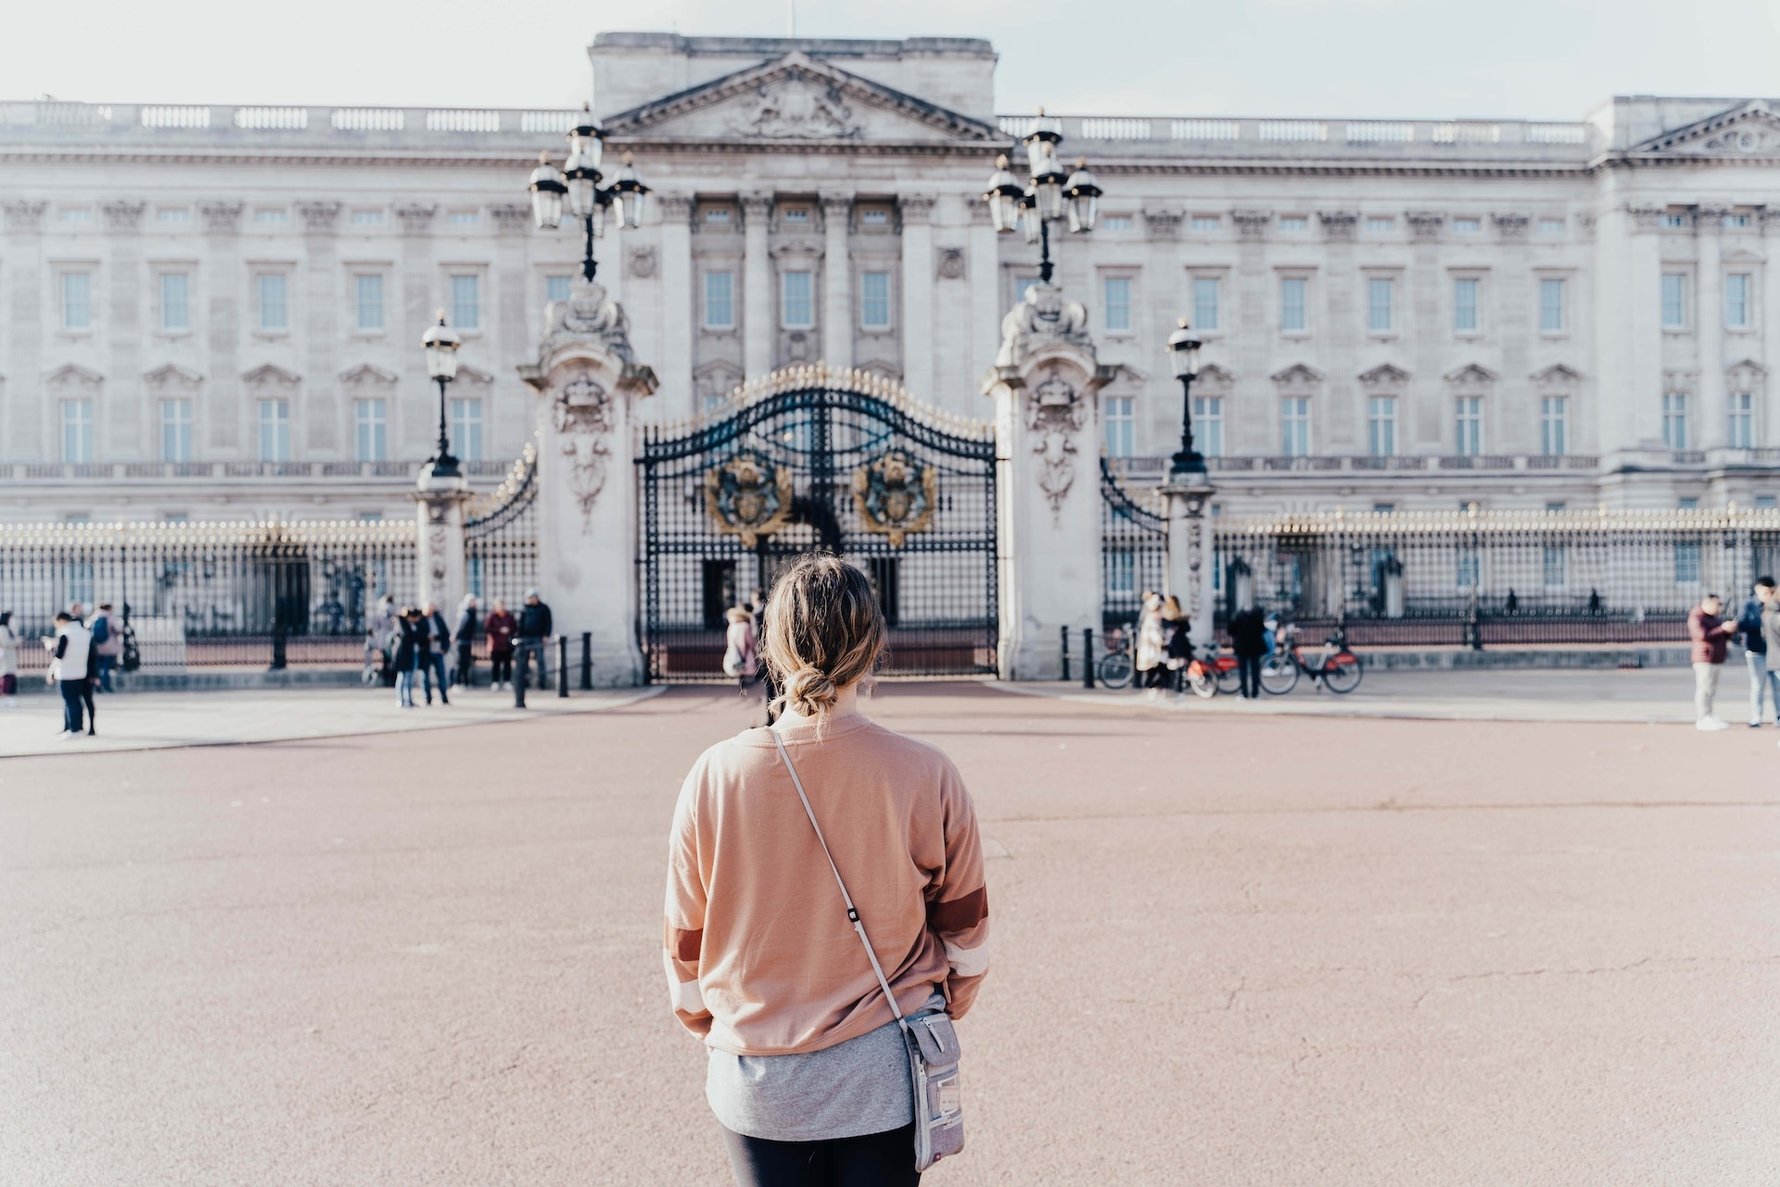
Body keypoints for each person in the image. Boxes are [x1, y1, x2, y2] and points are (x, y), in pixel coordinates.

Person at [663, 553, 989, 1187]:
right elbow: (967, 930)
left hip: (757, 1073)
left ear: (772, 648)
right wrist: (945, 1004)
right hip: (884, 1062)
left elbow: (684, 940)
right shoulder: (926, 772)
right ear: (872, 649)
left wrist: (717, 1026)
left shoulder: (715, 774)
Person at [1688, 592, 1738, 731]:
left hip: (1716, 658)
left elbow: (1721, 636)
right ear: (1707, 604)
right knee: (1704, 689)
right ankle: (1703, 717)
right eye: (1717, 605)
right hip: (1704, 658)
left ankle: (1709, 714)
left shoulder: (1714, 618)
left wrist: (1728, 630)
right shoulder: (1696, 616)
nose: (1719, 608)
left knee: (1711, 689)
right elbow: (1702, 635)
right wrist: (1722, 628)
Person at [44, 611, 93, 738]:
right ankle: (74, 727)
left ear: (62, 620)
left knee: (70, 701)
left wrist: (51, 646)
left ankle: (74, 729)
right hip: (81, 672)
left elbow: (60, 655)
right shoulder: (85, 633)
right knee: (76, 701)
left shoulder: (65, 634)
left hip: (66, 672)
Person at [1736, 578, 1777, 728]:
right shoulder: (1749, 605)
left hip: (1775, 652)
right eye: (1766, 592)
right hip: (1756, 650)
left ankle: (1778, 716)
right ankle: (1756, 716)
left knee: (1777, 685)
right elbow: (1741, 624)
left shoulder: (1776, 605)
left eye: (1772, 592)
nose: (1769, 595)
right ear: (1758, 590)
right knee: (1758, 685)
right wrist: (1762, 621)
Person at [513, 588, 552, 709]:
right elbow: (519, 624)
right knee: (522, 663)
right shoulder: (524, 609)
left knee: (540, 660)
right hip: (525, 638)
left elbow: (548, 622)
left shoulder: (543, 608)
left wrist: (546, 635)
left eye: (533, 597)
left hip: (537, 637)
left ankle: (542, 683)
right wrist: (517, 637)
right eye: (530, 598)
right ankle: (523, 684)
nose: (532, 599)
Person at [1228, 601, 1268, 700]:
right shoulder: (1257, 616)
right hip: (1254, 647)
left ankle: (1244, 693)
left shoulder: (1238, 616)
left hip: (1242, 647)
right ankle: (1255, 693)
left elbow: (1231, 631)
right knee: (1255, 671)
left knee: (1243, 672)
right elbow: (1262, 630)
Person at [1134, 591, 1167, 701]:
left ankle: (1154, 691)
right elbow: (1156, 637)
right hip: (1152, 653)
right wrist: (1163, 640)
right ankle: (1152, 691)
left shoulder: (1153, 620)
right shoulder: (1151, 620)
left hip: (1153, 653)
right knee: (1157, 672)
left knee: (1156, 673)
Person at [722, 604, 759, 695]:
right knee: (745, 672)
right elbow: (750, 642)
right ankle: (744, 689)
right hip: (745, 654)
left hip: (734, 654)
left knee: (739, 671)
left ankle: (740, 688)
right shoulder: (745, 626)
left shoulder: (731, 626)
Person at [1161, 595, 1193, 700]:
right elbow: (1187, 629)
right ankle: (1179, 685)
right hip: (1179, 644)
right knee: (1180, 666)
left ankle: (1177, 685)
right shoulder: (1175, 617)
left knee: (1177, 666)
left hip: (1175, 644)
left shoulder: (1170, 617)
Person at [420, 601, 451, 706]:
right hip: (426, 652)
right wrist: (426, 637)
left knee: (441, 675)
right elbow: (417, 635)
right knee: (425, 677)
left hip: (438, 652)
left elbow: (446, 634)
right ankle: (427, 698)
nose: (429, 612)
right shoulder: (421, 620)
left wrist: (445, 648)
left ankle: (444, 697)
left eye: (431, 609)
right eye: (427, 610)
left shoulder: (438, 619)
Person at [392, 607, 423, 709]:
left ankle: (408, 699)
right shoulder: (401, 622)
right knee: (402, 677)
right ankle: (401, 699)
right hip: (403, 654)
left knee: (408, 678)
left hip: (410, 653)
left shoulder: (412, 624)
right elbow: (407, 636)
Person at [90, 602, 122, 693]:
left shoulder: (93, 618)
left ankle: (97, 686)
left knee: (97, 667)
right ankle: (106, 686)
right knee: (106, 668)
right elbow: (118, 629)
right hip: (109, 647)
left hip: (96, 647)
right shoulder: (110, 618)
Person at [485, 598, 516, 692]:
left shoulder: (509, 616)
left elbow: (514, 627)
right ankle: (495, 682)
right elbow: (487, 628)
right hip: (495, 644)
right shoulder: (491, 616)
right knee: (496, 665)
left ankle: (507, 681)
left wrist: (508, 630)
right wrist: (499, 630)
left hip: (506, 644)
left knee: (507, 664)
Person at [453, 594, 479, 689]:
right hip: (461, 641)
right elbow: (459, 626)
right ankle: (456, 682)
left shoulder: (473, 612)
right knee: (459, 662)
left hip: (468, 640)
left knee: (466, 663)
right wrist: (454, 636)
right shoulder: (464, 613)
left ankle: (465, 682)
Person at [0, 609, 18, 709]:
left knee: (7, 675)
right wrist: (17, 641)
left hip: (8, 656)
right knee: (6, 676)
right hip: (5, 656)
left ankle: (6, 697)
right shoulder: (2, 629)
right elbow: (6, 643)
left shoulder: (6, 628)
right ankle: (4, 697)